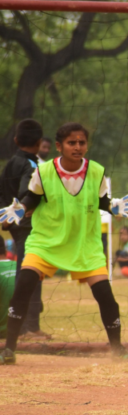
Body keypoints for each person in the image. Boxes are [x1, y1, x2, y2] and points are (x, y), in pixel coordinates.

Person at [0, 122, 128, 364]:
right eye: (72, 143)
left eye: (82, 142)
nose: (78, 147)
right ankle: (9, 350)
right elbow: (32, 197)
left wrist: (113, 206)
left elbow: (102, 200)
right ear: (59, 146)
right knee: (23, 287)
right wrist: (19, 210)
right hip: (45, 242)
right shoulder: (44, 172)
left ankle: (118, 349)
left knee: (106, 296)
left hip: (84, 244)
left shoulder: (95, 171)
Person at [0, 119, 46, 339]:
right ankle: (28, 326)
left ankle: (23, 324)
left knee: (27, 271)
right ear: (39, 142)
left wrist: (6, 216)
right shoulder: (33, 166)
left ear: (16, 140)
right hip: (29, 225)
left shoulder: (10, 163)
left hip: (15, 225)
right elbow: (25, 192)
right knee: (31, 272)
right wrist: (21, 211)